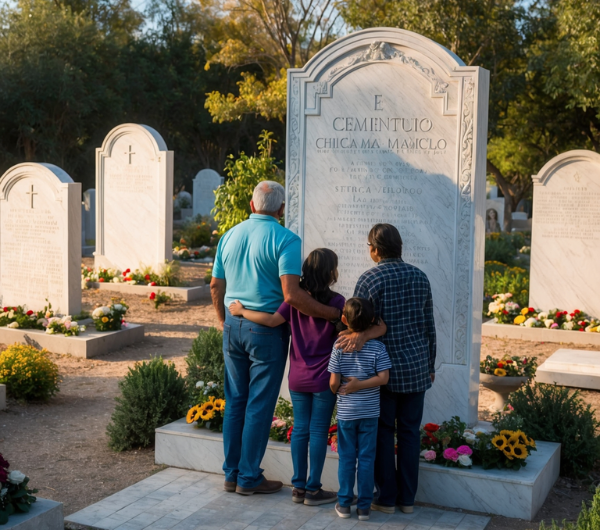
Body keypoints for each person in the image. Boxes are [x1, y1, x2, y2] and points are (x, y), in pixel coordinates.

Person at [210, 181, 341, 496]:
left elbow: (216, 286)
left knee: (235, 402)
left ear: (252, 205)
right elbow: (292, 295)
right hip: (265, 331)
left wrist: (223, 320)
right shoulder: (286, 239)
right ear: (281, 209)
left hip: (233, 325)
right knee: (258, 404)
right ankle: (249, 477)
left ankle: (232, 473)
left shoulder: (229, 235)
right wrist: (333, 315)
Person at [230, 248, 361, 506]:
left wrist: (242, 311)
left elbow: (270, 321)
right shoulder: (337, 303)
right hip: (325, 378)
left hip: (298, 377)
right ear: (330, 273)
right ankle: (314, 489)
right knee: (318, 430)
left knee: (300, 430)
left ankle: (298, 488)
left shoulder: (293, 301)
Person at [336, 223, 436, 515]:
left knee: (382, 432)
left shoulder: (370, 279)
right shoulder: (421, 277)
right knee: (409, 433)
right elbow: (428, 326)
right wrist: (430, 364)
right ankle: (407, 500)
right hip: (417, 368)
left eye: (369, 246)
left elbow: (358, 324)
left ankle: (386, 498)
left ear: (375, 249)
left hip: (382, 371)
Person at [328, 297, 392, 522]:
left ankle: (344, 503)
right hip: (370, 413)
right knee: (366, 458)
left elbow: (334, 384)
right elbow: (384, 378)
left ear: (344, 319)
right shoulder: (378, 347)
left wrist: (349, 386)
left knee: (346, 458)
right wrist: (363, 384)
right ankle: (364, 507)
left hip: (347, 414)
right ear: (373, 320)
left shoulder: (338, 348)